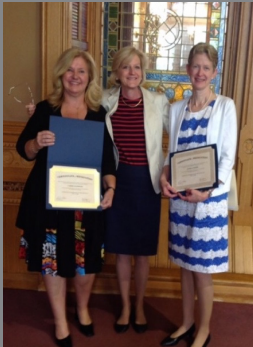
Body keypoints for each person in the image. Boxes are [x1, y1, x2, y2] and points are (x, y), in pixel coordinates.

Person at [16, 47, 116, 347]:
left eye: (81, 71)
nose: (75, 76)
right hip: (48, 202)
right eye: (70, 70)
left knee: (85, 266)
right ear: (62, 74)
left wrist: (111, 189)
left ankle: (82, 310)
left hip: (86, 204)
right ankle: (60, 322)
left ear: (89, 78)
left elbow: (107, 161)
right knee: (52, 262)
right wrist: (37, 141)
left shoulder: (99, 114)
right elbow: (24, 149)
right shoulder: (46, 110)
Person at [160, 42, 237, 347]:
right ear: (187, 70)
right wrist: (165, 177)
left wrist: (207, 193)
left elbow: (228, 158)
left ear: (214, 72)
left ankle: (203, 330)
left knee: (202, 270)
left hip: (208, 201)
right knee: (184, 265)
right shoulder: (176, 108)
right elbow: (171, 154)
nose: (200, 72)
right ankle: (186, 322)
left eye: (206, 67)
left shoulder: (225, 106)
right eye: (195, 66)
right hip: (181, 199)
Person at [101, 46, 170, 334]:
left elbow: (178, 130)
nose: (132, 72)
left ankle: (139, 305)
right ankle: (125, 307)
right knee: (120, 250)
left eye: (137, 67)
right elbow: (74, 109)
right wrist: (38, 114)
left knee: (142, 252)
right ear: (117, 73)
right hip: (118, 181)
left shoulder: (158, 101)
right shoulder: (104, 101)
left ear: (143, 72)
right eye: (126, 67)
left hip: (147, 182)